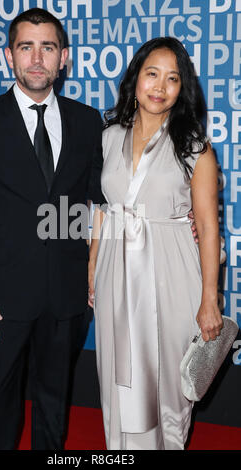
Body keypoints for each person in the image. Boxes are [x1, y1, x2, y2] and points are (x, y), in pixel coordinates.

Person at [0, 8, 105, 450]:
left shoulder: (87, 121)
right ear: (9, 56)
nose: (37, 58)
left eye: (48, 47)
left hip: (66, 296)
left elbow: (106, 195)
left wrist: (177, 216)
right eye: (26, 47)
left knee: (54, 409)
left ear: (64, 58)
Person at [88, 37, 223, 450]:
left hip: (171, 273)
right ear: (135, 78)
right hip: (115, 272)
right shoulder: (108, 137)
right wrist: (93, 266)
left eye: (172, 79)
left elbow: (208, 225)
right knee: (117, 376)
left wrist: (209, 299)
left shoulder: (195, 148)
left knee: (167, 385)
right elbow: (102, 209)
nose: (160, 86)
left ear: (183, 90)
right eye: (152, 74)